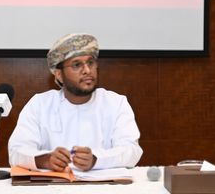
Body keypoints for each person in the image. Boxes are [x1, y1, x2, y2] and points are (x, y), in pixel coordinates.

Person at [8, 33, 143, 172]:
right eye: (77, 65)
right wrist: (45, 159)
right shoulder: (40, 104)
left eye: (90, 63)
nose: (87, 71)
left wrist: (96, 159)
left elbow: (131, 151)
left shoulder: (116, 103)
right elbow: (16, 152)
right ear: (59, 75)